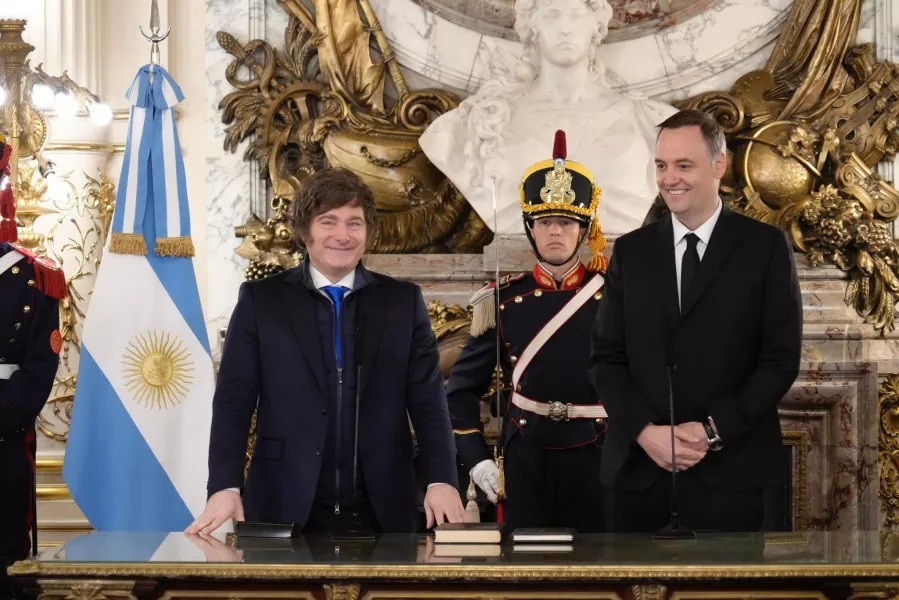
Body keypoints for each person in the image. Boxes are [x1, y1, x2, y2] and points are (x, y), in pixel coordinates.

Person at [187, 168, 463, 535]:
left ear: (368, 232)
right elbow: (232, 402)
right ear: (306, 231)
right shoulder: (261, 301)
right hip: (282, 501)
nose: (342, 235)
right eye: (328, 221)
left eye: (354, 223)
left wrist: (441, 478)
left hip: (384, 505)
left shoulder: (403, 302)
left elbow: (429, 402)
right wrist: (225, 485)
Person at [591, 109, 802, 532]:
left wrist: (711, 430)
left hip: (732, 478)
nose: (670, 178)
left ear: (719, 165)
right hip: (637, 476)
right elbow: (605, 359)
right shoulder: (630, 252)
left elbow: (779, 360)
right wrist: (644, 431)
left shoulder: (765, 248)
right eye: (661, 166)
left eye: (684, 165)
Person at [446, 130, 608, 532]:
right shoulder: (501, 300)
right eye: (545, 221)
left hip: (601, 455)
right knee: (524, 562)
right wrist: (476, 458)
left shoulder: (616, 296)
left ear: (584, 230)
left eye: (566, 222)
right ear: (530, 228)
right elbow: (461, 391)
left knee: (601, 562)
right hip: (527, 458)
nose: (555, 231)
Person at [419, 0, 676, 237]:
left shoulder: (651, 123)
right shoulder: (480, 122)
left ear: (596, 26)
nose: (565, 28)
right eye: (552, 15)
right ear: (533, 27)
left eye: (576, 15)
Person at [0, 134, 66, 596]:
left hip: (4, 429)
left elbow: (42, 362)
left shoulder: (36, 275)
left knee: (7, 552)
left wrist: (5, 414)